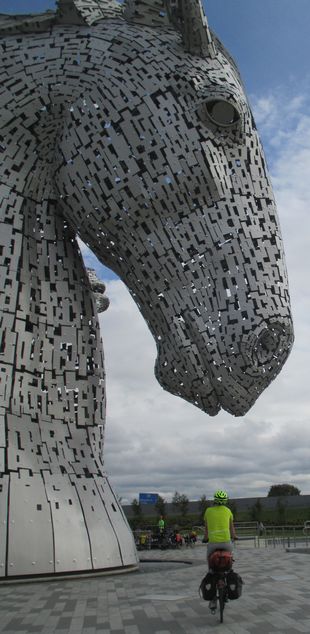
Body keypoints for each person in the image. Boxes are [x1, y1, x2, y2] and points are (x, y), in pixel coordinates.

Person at [204, 490, 237, 561]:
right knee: (230, 557)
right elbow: (231, 527)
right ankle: (230, 568)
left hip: (213, 542)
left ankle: (210, 570)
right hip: (226, 542)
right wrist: (234, 536)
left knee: (209, 559)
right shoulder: (228, 510)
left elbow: (206, 528)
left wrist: (205, 538)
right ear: (225, 501)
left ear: (215, 500)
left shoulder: (208, 511)